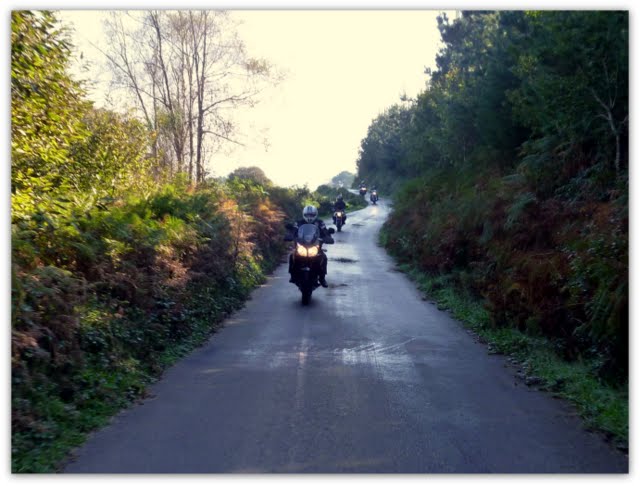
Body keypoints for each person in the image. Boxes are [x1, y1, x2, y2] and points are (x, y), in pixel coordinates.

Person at [288, 205, 333, 287]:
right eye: (307, 215)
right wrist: (289, 235)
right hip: (301, 245)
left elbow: (325, 231)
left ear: (315, 214)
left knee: (324, 257)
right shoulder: (299, 222)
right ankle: (292, 275)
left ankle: (322, 278)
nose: (309, 217)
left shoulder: (320, 222)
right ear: (304, 214)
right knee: (292, 256)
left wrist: (328, 237)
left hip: (315, 245)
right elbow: (293, 230)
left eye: (312, 215)